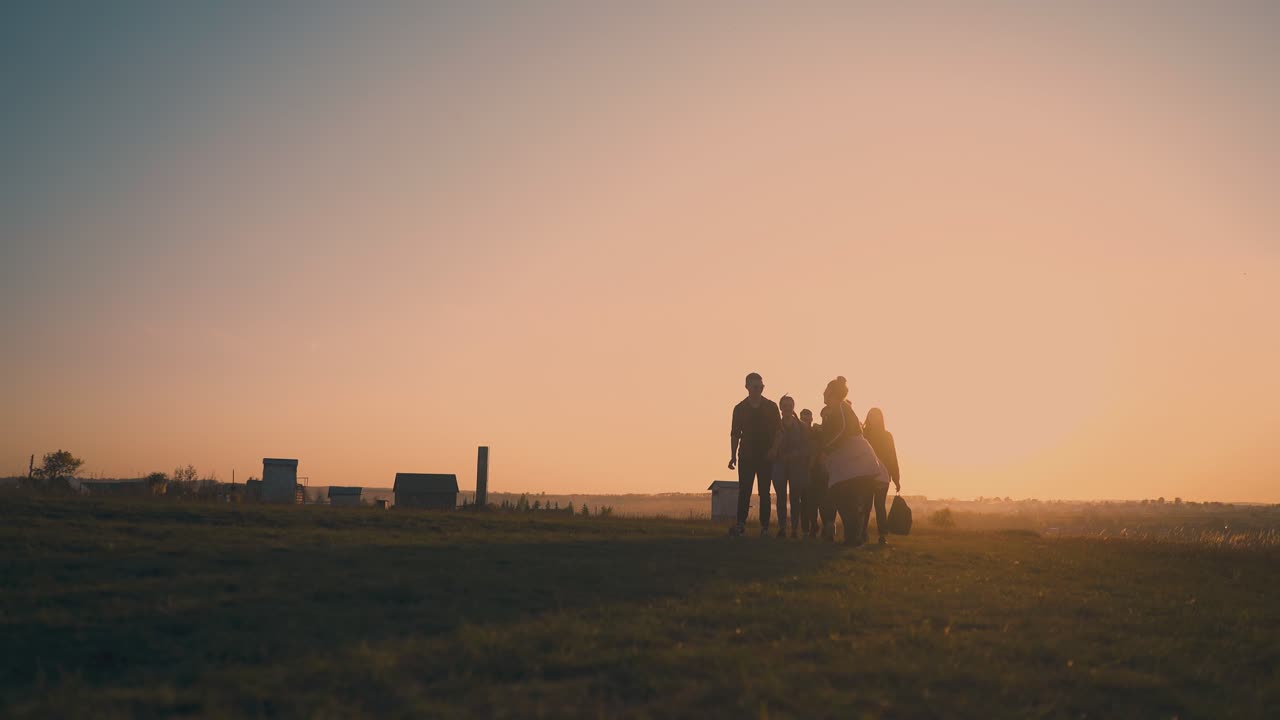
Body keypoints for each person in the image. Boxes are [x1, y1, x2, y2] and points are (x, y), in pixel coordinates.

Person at [818, 376, 887, 545]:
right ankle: (854, 536)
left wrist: (827, 449)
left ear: (832, 393)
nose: (823, 394)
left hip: (854, 460)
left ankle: (854, 535)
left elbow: (842, 430)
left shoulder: (841, 407)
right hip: (851, 461)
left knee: (842, 495)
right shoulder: (837, 410)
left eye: (826, 392)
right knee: (844, 497)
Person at [728, 372, 781, 536]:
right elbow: (735, 433)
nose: (759, 390)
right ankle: (740, 524)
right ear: (747, 387)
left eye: (761, 387)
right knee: (744, 491)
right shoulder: (740, 408)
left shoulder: (771, 407)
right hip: (746, 456)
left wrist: (774, 449)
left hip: (766, 457)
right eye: (756, 387)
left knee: (764, 492)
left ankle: (765, 527)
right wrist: (733, 456)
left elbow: (779, 432)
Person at [771, 395, 809, 538]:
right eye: (784, 406)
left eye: (789, 405)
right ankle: (782, 528)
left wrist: (795, 454)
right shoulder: (774, 426)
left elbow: (807, 448)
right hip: (779, 465)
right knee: (780, 498)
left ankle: (794, 529)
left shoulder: (802, 427)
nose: (787, 408)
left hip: (796, 467)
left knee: (795, 499)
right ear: (781, 408)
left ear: (793, 407)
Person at [862, 407, 901, 545]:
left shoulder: (887, 436)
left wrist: (896, 478)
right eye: (871, 415)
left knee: (879, 505)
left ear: (881, 418)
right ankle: (862, 533)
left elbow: (892, 457)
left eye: (876, 416)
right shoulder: (863, 434)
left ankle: (882, 535)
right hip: (866, 474)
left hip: (883, 475)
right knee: (865, 505)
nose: (873, 418)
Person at [798, 408, 825, 537]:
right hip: (802, 469)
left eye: (807, 418)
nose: (806, 421)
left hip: (815, 471)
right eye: (803, 418)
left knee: (813, 501)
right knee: (804, 501)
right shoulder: (798, 433)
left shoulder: (816, 432)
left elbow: (818, 448)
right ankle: (806, 529)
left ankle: (813, 526)